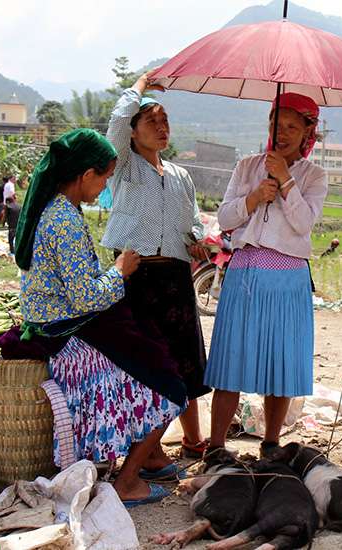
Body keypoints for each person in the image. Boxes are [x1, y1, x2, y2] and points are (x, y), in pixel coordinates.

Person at [15, 128, 187, 507]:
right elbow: (84, 296)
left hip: (59, 324)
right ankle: (128, 481)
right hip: (70, 331)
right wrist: (120, 270)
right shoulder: (64, 220)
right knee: (169, 384)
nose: (105, 185)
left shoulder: (55, 208)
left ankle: (152, 458)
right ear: (84, 174)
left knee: (150, 348)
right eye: (104, 177)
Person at [203, 92, 328, 458]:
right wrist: (256, 196)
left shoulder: (313, 176)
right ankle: (216, 446)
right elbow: (225, 219)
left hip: (288, 279)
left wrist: (286, 181)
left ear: (309, 132)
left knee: (281, 363)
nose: (283, 132)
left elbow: (304, 223)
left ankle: (271, 443)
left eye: (292, 126)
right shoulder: (246, 167)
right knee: (231, 360)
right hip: (244, 273)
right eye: (277, 124)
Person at [102, 72, 210, 461]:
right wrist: (141, 85)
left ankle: (194, 439)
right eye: (152, 121)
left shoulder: (180, 175)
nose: (162, 128)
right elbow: (115, 121)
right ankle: (142, 449)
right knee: (144, 362)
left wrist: (196, 239)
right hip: (136, 276)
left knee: (185, 358)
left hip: (176, 277)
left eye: (165, 121)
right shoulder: (125, 166)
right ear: (133, 133)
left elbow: (192, 220)